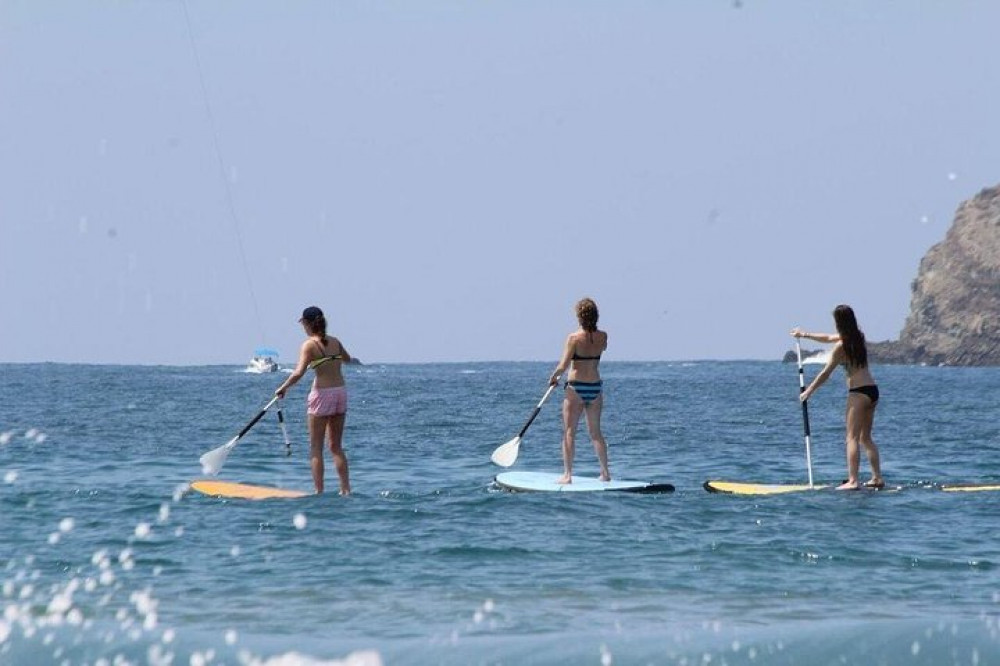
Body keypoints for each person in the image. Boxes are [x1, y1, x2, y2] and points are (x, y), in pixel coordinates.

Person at [791, 304, 883, 491]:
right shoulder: (858, 337)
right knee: (865, 438)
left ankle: (853, 481)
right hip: (872, 391)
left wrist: (808, 391)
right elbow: (827, 338)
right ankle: (877, 478)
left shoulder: (841, 347)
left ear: (838, 322)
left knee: (851, 438)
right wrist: (805, 334)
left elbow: (826, 373)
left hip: (857, 392)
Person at [275, 306, 352, 495]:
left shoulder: (309, 345)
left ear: (308, 324)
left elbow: (298, 373)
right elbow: (347, 359)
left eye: (303, 323)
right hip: (340, 392)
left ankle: (319, 491)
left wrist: (282, 388)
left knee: (316, 447)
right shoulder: (335, 341)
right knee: (335, 446)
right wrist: (327, 359)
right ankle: (346, 489)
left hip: (322, 395)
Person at [549, 297, 610, 484]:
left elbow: (564, 365)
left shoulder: (573, 338)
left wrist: (553, 378)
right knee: (596, 433)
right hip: (595, 387)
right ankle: (605, 473)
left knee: (569, 432)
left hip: (576, 388)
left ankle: (567, 475)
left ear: (579, 317)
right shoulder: (603, 336)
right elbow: (601, 350)